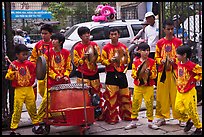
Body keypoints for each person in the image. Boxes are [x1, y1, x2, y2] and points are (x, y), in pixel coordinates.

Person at [5, 44, 44, 135]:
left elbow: (36, 72)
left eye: (26, 54)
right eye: (23, 54)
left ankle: (36, 125)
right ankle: (13, 129)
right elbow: (8, 77)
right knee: (17, 109)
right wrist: (12, 71)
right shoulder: (13, 65)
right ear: (17, 55)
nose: (25, 56)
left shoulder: (29, 64)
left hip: (29, 89)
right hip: (19, 90)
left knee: (32, 108)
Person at [37, 33, 72, 125]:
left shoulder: (66, 52)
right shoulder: (47, 53)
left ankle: (63, 117)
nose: (52, 41)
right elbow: (47, 68)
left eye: (55, 40)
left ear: (60, 42)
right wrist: (55, 76)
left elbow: (68, 67)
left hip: (64, 81)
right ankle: (38, 119)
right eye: (52, 39)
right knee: (46, 100)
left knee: (64, 101)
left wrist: (65, 75)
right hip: (51, 81)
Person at [154, 19, 184, 127]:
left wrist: (174, 60)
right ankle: (162, 117)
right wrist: (161, 61)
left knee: (177, 95)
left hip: (175, 72)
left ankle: (181, 117)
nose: (170, 31)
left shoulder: (178, 42)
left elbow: (182, 57)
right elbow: (156, 57)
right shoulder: (160, 43)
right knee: (162, 95)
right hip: (163, 72)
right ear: (164, 30)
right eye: (168, 29)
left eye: (172, 29)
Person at [124, 42, 159, 130]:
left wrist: (149, 73)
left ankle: (150, 121)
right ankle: (133, 121)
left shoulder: (152, 62)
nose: (146, 52)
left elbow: (154, 75)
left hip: (149, 86)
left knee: (149, 103)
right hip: (138, 86)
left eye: (148, 50)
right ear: (139, 51)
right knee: (135, 103)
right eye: (144, 50)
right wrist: (140, 73)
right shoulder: (135, 62)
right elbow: (133, 74)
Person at [101, 27, 132, 124]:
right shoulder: (106, 48)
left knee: (125, 95)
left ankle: (127, 115)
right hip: (111, 74)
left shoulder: (123, 47)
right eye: (111, 34)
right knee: (111, 97)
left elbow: (128, 60)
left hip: (122, 74)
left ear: (119, 35)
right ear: (109, 36)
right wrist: (110, 61)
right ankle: (112, 117)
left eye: (115, 34)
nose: (113, 36)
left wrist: (124, 60)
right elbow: (102, 61)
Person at [73, 26, 104, 120]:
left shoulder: (94, 45)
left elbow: (100, 59)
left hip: (94, 72)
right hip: (82, 74)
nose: (87, 36)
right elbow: (76, 62)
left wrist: (95, 57)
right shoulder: (77, 47)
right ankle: (85, 116)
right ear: (80, 36)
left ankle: (98, 114)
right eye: (84, 34)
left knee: (96, 94)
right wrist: (83, 58)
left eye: (88, 34)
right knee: (84, 95)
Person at [175, 45, 202, 135]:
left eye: (178, 54)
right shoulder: (178, 63)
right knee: (178, 108)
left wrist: (194, 80)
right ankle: (188, 120)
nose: (176, 56)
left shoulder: (191, 65)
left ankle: (199, 128)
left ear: (184, 55)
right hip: (180, 90)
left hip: (189, 91)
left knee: (192, 110)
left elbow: (200, 73)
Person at [29, 24, 53, 98]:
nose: (43, 35)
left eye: (45, 33)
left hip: (52, 73)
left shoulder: (54, 44)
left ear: (50, 34)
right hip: (41, 73)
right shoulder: (38, 45)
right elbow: (33, 58)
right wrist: (36, 68)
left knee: (49, 93)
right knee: (41, 90)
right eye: (42, 33)